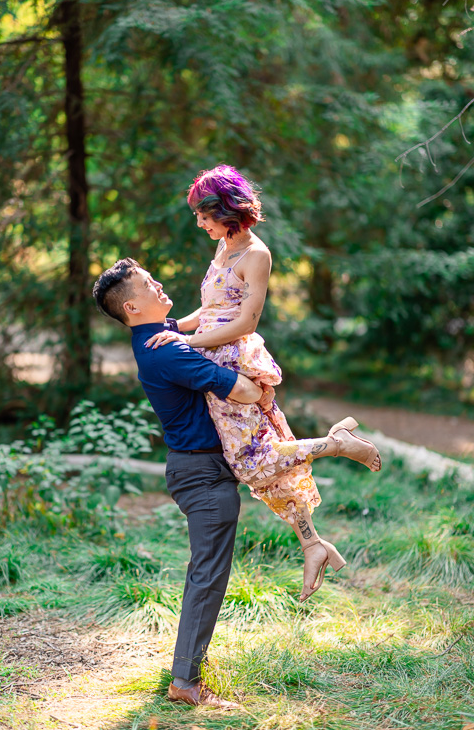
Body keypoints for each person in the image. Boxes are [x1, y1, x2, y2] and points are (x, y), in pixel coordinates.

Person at [92, 256, 381, 708]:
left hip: (210, 464)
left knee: (270, 475)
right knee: (207, 576)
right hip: (202, 475)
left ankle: (313, 542)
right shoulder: (166, 350)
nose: (159, 284)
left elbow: (206, 315)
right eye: (148, 283)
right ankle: (185, 683)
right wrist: (257, 386)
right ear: (131, 307)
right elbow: (243, 391)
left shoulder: (160, 335)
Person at [145, 164, 382, 602]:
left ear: (225, 209)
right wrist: (176, 327)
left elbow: (244, 321)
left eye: (203, 214)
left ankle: (337, 443)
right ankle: (311, 542)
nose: (199, 222)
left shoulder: (256, 254)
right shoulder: (222, 248)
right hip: (210, 355)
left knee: (253, 460)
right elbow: (213, 306)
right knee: (262, 456)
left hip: (234, 361)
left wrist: (188, 340)